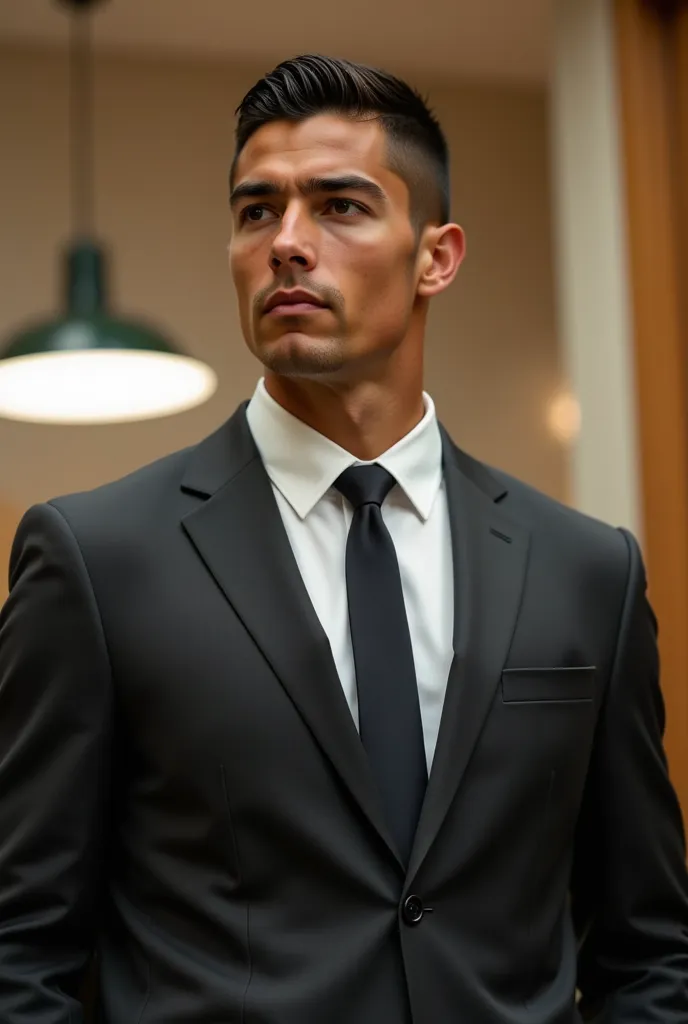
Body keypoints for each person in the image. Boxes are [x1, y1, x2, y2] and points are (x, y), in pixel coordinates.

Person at [0, 52, 687, 1024]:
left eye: (340, 206)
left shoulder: (586, 571)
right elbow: (19, 945)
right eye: (255, 210)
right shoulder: (98, 560)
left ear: (434, 256)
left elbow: (648, 948)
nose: (286, 242)